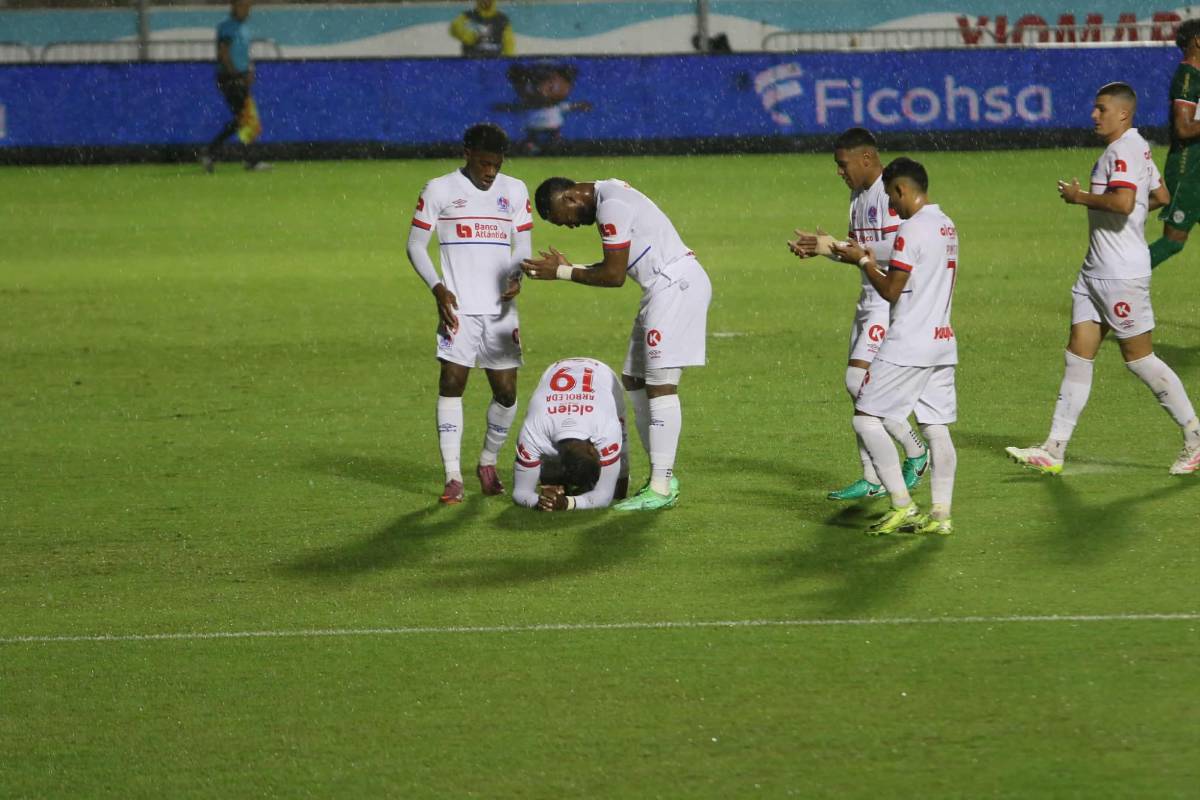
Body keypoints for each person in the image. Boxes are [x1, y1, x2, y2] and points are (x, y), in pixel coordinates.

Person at [1007, 83, 1200, 476]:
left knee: (1140, 359)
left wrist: (1081, 198)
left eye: (1101, 109)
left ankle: (1195, 438)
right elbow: (1159, 195)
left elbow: (1125, 202)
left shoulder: (1124, 150)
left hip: (1120, 275)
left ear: (1123, 113)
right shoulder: (1137, 146)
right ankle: (1054, 449)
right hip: (1095, 272)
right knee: (1077, 356)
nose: (1094, 116)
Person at [521, 178, 713, 511]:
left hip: (675, 286)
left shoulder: (611, 206)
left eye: (560, 216)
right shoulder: (607, 195)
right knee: (635, 380)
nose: (567, 225)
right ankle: (662, 477)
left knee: (661, 386)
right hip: (659, 289)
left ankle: (661, 486)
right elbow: (617, 266)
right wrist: (567, 269)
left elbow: (613, 276)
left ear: (568, 196)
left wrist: (563, 272)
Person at [788, 127, 928, 502]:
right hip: (867, 301)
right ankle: (872, 477)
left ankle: (915, 449)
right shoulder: (856, 196)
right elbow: (856, 253)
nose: (839, 171)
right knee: (861, 394)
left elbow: (901, 248)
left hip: (888, 300)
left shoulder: (890, 192)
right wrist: (824, 248)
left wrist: (838, 246)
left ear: (866, 158)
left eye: (842, 164)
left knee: (858, 381)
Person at [827, 157, 960, 536]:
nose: (890, 206)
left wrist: (864, 260)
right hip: (942, 340)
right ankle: (941, 514)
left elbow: (889, 290)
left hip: (908, 342)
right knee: (935, 427)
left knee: (866, 418)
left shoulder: (911, 231)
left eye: (890, 196)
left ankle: (903, 506)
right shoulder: (946, 225)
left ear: (902, 189)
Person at [406, 122, 533, 504]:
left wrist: (516, 274)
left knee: (507, 393)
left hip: (499, 311)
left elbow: (523, 244)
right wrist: (437, 288)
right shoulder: (439, 190)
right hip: (458, 306)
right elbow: (415, 245)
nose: (490, 172)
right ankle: (452, 476)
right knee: (452, 383)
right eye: (483, 164)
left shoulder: (514, 190)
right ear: (467, 154)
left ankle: (488, 461)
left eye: (496, 164)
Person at [512, 357, 631, 511]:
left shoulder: (607, 430)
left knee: (618, 491)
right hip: (556, 374)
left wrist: (567, 503)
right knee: (550, 478)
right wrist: (542, 501)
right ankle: (561, 481)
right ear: (591, 449)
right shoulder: (533, 433)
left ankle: (581, 483)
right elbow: (520, 493)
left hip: (602, 374)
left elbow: (605, 497)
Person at [1149, 19, 1200, 269]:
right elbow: (1183, 128)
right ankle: (1113, 283)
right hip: (1187, 172)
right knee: (1173, 241)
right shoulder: (1188, 78)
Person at [201, 0, 268, 173]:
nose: (248, 11)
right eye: (245, 7)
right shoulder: (227, 27)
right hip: (229, 78)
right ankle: (211, 152)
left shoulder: (243, 28)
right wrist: (236, 74)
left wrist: (249, 70)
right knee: (244, 118)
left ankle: (248, 159)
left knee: (247, 118)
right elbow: (223, 52)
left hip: (240, 78)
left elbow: (243, 53)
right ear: (236, 7)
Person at [449, 0, 515, 58]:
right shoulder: (468, 16)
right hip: (470, 61)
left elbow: (509, 44)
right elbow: (454, 28)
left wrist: (509, 60)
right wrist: (470, 37)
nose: (485, 1)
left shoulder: (502, 19)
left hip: (494, 63)